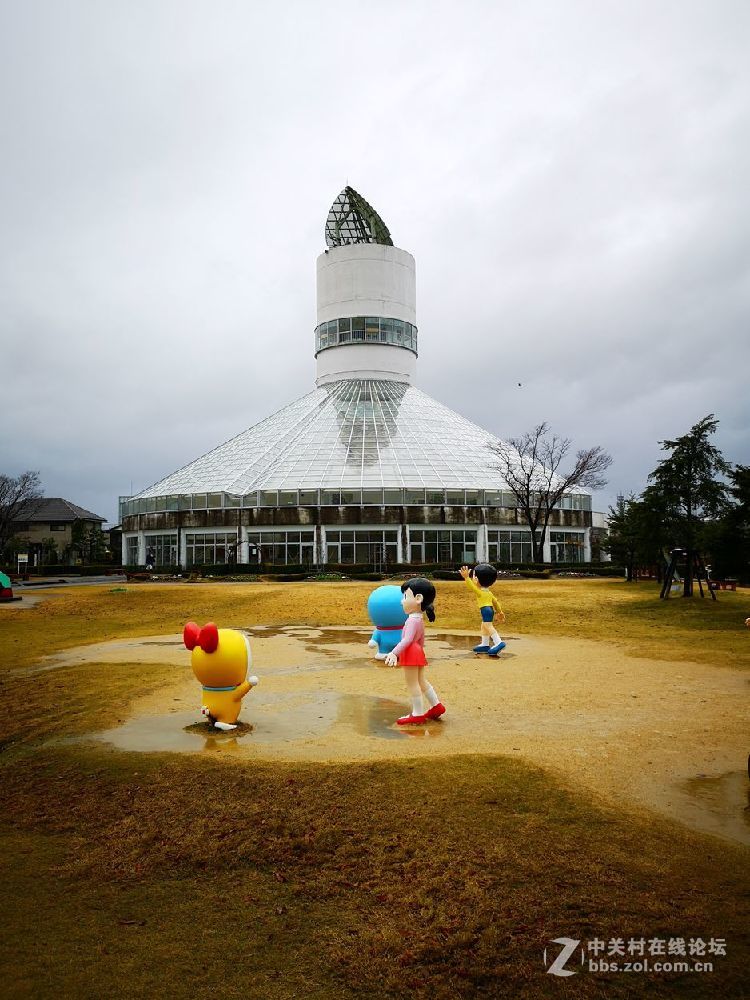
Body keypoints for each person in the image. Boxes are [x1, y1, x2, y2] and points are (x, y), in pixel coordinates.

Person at [385, 577, 446, 725]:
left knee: (412, 683)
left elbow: (407, 640)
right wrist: (420, 652)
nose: (402, 601)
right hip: (417, 651)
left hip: (411, 652)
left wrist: (394, 652)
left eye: (406, 597)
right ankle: (436, 706)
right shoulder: (418, 619)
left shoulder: (412, 620)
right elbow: (421, 640)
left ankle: (417, 713)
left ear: (418, 599)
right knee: (421, 680)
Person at [459, 563, 506, 656]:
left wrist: (466, 578)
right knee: (484, 626)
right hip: (489, 610)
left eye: (474, 577)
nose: (473, 578)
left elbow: (471, 587)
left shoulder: (480, 592)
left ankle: (498, 642)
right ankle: (485, 644)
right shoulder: (488, 592)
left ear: (477, 579)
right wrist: (499, 611)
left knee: (488, 626)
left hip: (486, 610)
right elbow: (495, 602)